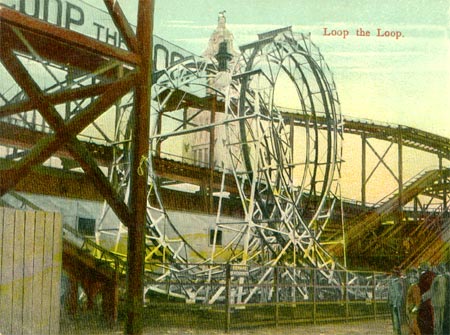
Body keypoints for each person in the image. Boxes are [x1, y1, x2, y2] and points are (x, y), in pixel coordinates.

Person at [417, 262, 435, 335]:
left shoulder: (423, 276)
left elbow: (421, 287)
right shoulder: (434, 275)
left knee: (423, 321)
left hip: (425, 301)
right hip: (433, 301)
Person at [430, 264, 447, 335]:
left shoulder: (435, 279)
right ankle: (440, 332)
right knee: (441, 318)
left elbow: (432, 291)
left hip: (436, 302)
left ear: (438, 270)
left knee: (436, 319)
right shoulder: (444, 278)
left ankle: (437, 333)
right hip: (442, 301)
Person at [389, 266, 404, 335]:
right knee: (394, 318)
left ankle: (398, 332)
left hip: (397, 303)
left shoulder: (399, 281)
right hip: (392, 302)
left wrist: (395, 303)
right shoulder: (392, 281)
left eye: (394, 273)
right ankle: (396, 331)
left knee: (397, 319)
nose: (392, 274)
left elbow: (399, 293)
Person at [406, 268, 421, 335]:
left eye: (412, 277)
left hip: (412, 310)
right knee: (412, 326)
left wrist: (414, 309)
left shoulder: (414, 287)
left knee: (414, 326)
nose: (410, 279)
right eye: (410, 277)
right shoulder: (411, 287)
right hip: (410, 309)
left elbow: (417, 300)